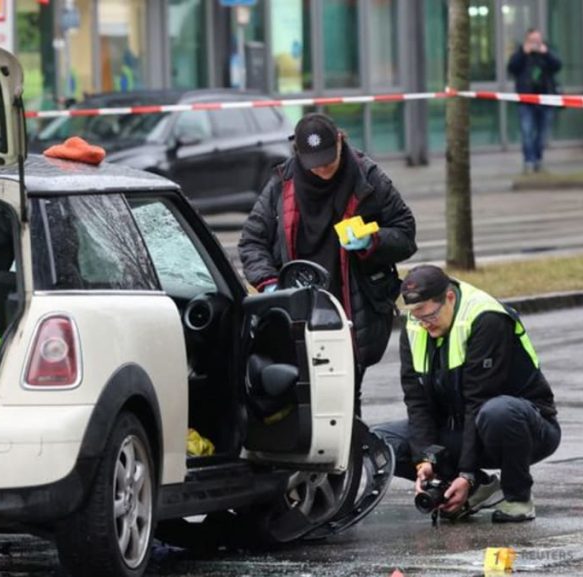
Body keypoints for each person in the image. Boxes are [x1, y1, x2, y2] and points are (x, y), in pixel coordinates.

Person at [237, 113, 416, 414]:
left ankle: (351, 458)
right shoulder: (283, 182)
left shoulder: (367, 177)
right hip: (300, 309)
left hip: (353, 310)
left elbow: (405, 232)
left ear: (340, 141)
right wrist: (270, 285)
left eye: (327, 161)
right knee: (303, 399)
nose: (322, 170)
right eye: (313, 164)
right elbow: (252, 241)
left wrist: (372, 242)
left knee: (345, 398)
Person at [374, 265, 559, 523]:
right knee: (380, 442)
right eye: (417, 317)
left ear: (449, 297)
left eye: (430, 315)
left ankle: (518, 497)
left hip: (524, 428)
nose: (424, 324)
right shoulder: (414, 325)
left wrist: (466, 473)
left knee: (497, 412)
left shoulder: (486, 319)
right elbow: (417, 403)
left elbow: (478, 400)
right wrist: (424, 460)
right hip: (462, 428)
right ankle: (472, 490)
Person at [506, 28, 561, 173]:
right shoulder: (520, 54)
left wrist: (546, 53)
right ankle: (529, 161)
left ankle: (538, 159)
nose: (535, 44)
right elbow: (512, 68)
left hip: (546, 99)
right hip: (526, 100)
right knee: (527, 132)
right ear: (527, 40)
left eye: (537, 40)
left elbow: (558, 66)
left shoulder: (547, 52)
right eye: (532, 41)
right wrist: (523, 53)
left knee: (543, 134)